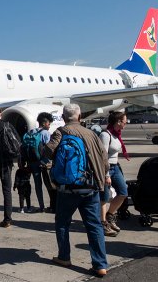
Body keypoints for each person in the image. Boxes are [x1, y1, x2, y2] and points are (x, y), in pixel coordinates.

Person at [43, 104, 110, 277]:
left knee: (62, 222)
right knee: (94, 225)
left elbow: (47, 151)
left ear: (64, 118)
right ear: (79, 117)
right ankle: (100, 264)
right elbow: (104, 159)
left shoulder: (61, 132)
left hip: (68, 188)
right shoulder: (92, 134)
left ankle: (64, 257)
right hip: (91, 187)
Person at [99, 111, 130, 237]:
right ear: (118, 122)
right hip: (106, 168)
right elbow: (103, 157)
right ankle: (103, 223)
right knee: (104, 198)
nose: (126, 124)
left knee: (123, 192)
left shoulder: (117, 134)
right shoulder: (105, 135)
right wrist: (106, 175)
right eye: (124, 121)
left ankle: (109, 215)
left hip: (115, 167)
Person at [21, 112, 54, 212]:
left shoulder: (31, 131)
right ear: (44, 123)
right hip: (43, 162)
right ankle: (52, 206)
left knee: (37, 185)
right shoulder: (45, 133)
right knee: (49, 184)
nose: (49, 125)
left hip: (32, 162)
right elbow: (49, 148)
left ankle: (41, 206)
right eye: (49, 123)